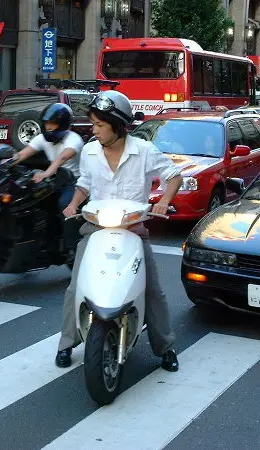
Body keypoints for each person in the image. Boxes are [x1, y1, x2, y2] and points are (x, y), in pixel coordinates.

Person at [55, 90, 182, 372]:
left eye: (100, 125)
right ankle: (66, 342)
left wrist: (163, 201)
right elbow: (85, 183)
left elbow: (174, 176)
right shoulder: (89, 151)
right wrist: (74, 203)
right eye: (93, 124)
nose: (94, 130)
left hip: (134, 229)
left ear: (118, 125)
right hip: (96, 227)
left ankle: (166, 347)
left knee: (153, 291)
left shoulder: (144, 151)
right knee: (76, 287)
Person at [12, 103, 84, 256]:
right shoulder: (42, 138)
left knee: (64, 204)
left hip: (75, 182)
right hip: (56, 179)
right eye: (46, 123)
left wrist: (46, 173)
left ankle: (72, 247)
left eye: (52, 123)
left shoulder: (73, 139)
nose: (48, 127)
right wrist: (4, 163)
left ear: (62, 124)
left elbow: (62, 157)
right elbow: (23, 154)